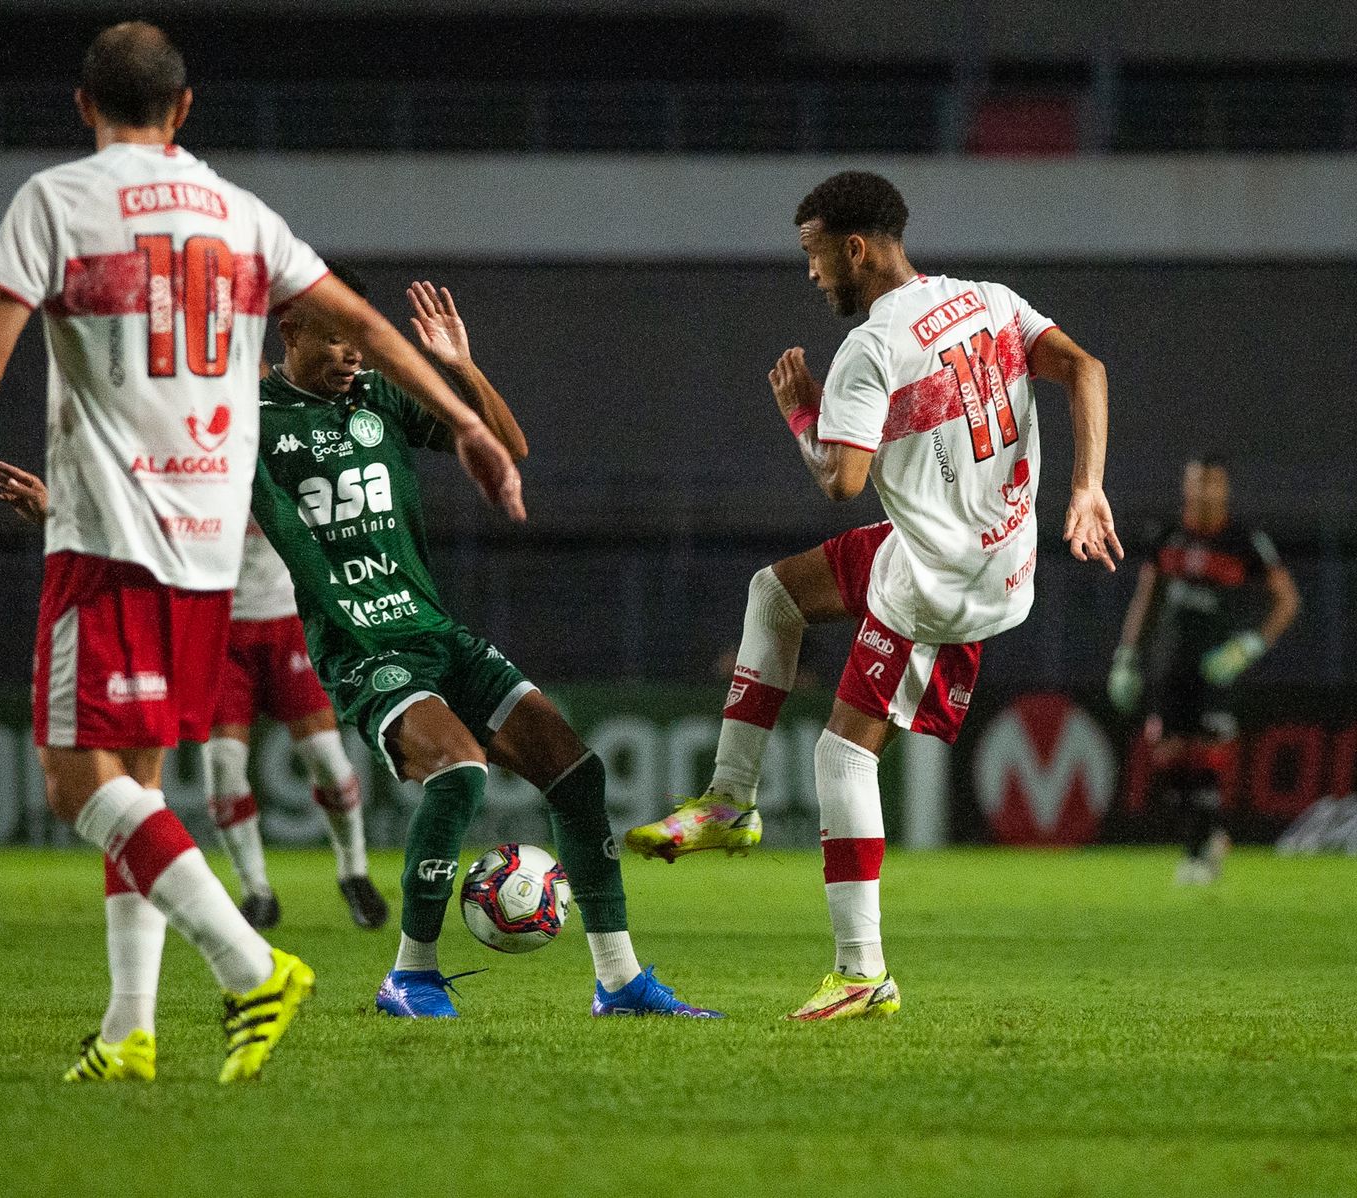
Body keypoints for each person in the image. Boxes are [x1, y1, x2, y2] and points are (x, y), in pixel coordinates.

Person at [0, 21, 523, 1083]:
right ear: (184, 109)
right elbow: (364, 325)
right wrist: (459, 419)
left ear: (83, 105)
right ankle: (127, 1030)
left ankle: (249, 964)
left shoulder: (55, 202)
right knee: (137, 779)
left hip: (106, 537)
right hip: (204, 563)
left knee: (72, 779)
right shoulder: (241, 214)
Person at [626, 171, 1122, 1021]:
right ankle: (729, 801)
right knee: (773, 594)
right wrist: (1086, 489)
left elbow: (840, 480)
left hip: (938, 584)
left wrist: (800, 414)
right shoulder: (988, 302)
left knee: (842, 756)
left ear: (855, 247)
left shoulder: (870, 348)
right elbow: (1085, 367)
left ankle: (863, 972)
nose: (812, 274)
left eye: (814, 255)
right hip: (982, 550)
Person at [251, 274, 720, 1018]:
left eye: (361, 339)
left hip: (433, 629)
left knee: (576, 772)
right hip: (362, 645)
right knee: (460, 770)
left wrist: (461, 369)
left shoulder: (380, 398)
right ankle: (410, 976)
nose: (351, 355)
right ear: (290, 332)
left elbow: (506, 443)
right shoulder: (253, 422)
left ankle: (621, 982)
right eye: (335, 337)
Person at [0, 459, 390, 929]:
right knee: (222, 766)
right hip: (222, 630)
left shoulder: (290, 436)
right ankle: (256, 891)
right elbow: (140, 515)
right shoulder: (199, 446)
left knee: (327, 757)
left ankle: (354, 872)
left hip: (288, 622)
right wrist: (58, 511)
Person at [1107, 458, 1300, 883]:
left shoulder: (1245, 541)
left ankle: (1199, 854)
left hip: (1217, 667)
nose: (1203, 492)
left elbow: (1286, 599)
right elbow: (1146, 598)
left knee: (1207, 753)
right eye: (1197, 483)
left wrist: (1250, 644)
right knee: (1169, 755)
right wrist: (1127, 655)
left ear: (1224, 489)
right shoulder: (1166, 537)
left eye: (1212, 484)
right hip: (1168, 662)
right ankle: (1207, 840)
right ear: (1186, 487)